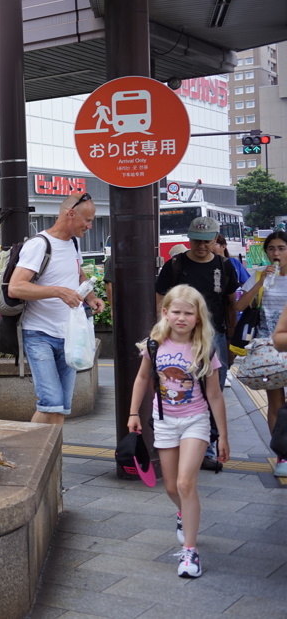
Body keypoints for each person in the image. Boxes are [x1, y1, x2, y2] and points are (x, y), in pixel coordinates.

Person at [128, 284, 229, 579]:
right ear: (165, 313)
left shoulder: (205, 348)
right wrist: (134, 413)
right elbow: (142, 378)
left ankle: (190, 551)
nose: (182, 318)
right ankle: (185, 512)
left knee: (186, 483)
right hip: (164, 421)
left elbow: (214, 396)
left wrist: (222, 434)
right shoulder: (154, 344)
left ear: (198, 317)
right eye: (176, 312)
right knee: (171, 487)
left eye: (189, 312)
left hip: (195, 420)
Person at [8, 192, 106, 425]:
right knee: (50, 402)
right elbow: (15, 287)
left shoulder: (74, 242)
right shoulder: (39, 245)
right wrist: (58, 291)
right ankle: (33, 457)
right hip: (39, 334)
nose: (90, 226)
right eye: (88, 220)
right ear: (70, 214)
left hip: (69, 335)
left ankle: (52, 460)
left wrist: (90, 297)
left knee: (59, 408)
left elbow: (78, 272)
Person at [155, 216, 239, 471]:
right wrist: (163, 332)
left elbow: (231, 303)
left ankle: (207, 448)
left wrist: (232, 341)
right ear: (189, 239)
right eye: (196, 241)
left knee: (213, 393)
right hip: (179, 338)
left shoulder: (225, 266)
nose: (201, 246)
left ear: (216, 240)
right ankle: (180, 443)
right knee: (181, 388)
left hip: (215, 337)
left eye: (207, 241)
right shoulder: (175, 265)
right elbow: (161, 300)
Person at [234, 231, 287, 476]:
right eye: (272, 249)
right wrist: (259, 282)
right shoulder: (258, 274)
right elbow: (239, 305)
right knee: (275, 402)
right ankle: (282, 455)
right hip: (267, 347)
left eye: (281, 248)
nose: (276, 254)